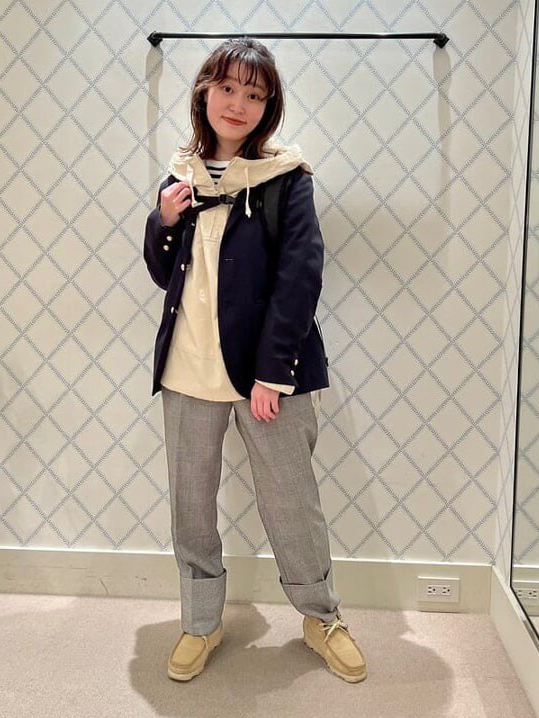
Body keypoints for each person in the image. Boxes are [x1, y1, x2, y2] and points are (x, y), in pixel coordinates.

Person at [143, 36, 367, 684]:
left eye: (254, 94)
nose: (237, 103)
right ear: (204, 92)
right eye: (227, 88)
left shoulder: (286, 179)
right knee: (191, 504)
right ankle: (200, 621)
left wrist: (272, 373)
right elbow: (165, 275)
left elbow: (301, 276)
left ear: (268, 108)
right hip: (189, 369)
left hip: (269, 374)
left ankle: (321, 617)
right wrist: (162, 223)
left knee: (292, 501)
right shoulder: (181, 176)